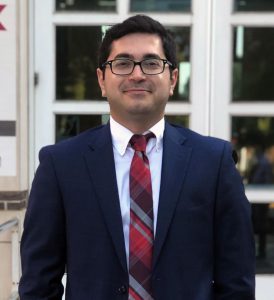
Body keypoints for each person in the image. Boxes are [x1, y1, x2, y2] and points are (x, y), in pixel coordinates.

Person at [19, 15, 255, 299]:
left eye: (152, 63)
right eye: (122, 63)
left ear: (173, 80)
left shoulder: (214, 162)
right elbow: (38, 283)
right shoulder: (60, 165)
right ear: (102, 80)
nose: (137, 74)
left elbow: (237, 282)